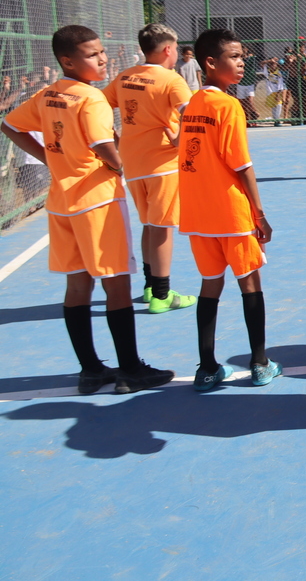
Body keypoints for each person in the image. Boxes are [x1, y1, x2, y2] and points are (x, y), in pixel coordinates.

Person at [1, 25, 174, 394]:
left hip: (61, 203)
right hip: (97, 200)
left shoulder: (49, 94)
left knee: (78, 285)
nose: (103, 58)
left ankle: (91, 370)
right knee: (117, 285)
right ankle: (130, 370)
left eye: (101, 51)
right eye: (93, 54)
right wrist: (119, 164)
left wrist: (50, 158)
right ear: (68, 61)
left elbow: (9, 125)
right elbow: (103, 146)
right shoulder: (91, 98)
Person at [179, 28, 280, 391]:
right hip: (231, 213)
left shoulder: (193, 104)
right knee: (250, 285)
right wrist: (260, 213)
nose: (241, 63)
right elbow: (241, 165)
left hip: (196, 214)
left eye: (242, 56)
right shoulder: (227, 105)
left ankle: (207, 368)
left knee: (210, 286)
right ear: (210, 62)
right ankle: (260, 363)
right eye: (234, 57)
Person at [101, 22, 198, 314]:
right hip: (162, 163)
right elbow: (191, 116)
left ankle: (148, 287)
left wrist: (116, 139)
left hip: (133, 162)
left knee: (149, 224)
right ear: (168, 49)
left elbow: (100, 106)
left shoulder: (125, 76)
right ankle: (162, 294)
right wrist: (180, 141)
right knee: (163, 227)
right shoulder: (171, 79)